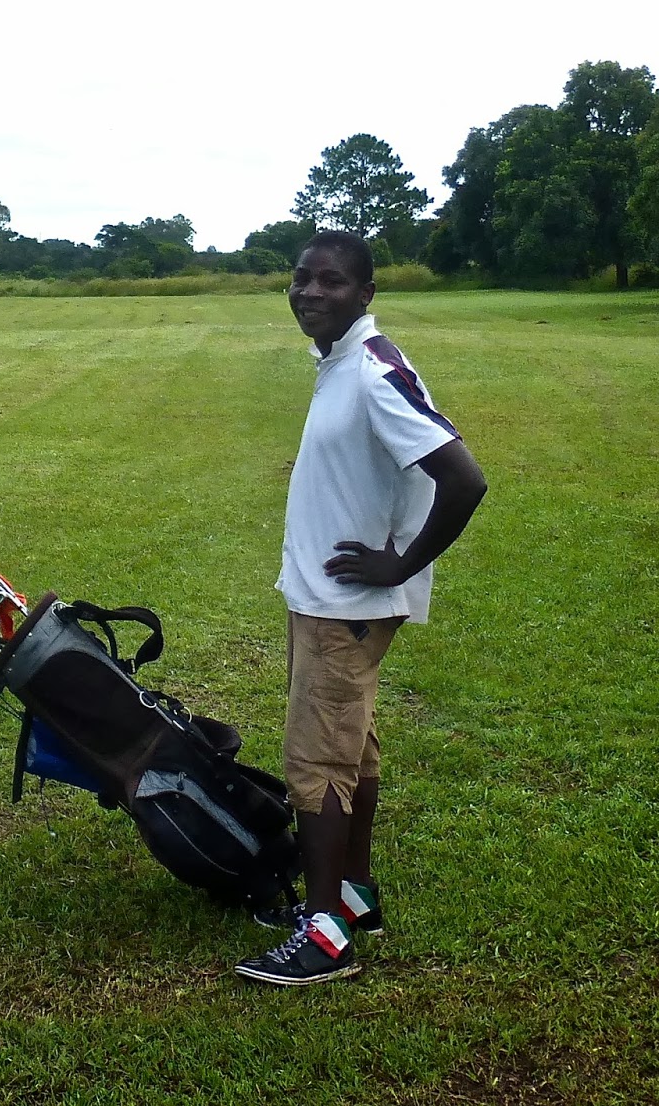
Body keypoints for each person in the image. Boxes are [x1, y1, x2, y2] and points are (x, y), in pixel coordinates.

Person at [235, 231, 487, 986]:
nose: (310, 291)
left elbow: (464, 478)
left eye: (332, 281)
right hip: (325, 598)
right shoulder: (341, 363)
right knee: (352, 752)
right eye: (302, 277)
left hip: (344, 604)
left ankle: (325, 935)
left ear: (366, 294)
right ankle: (352, 893)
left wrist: (401, 564)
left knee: (314, 765)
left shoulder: (373, 372)